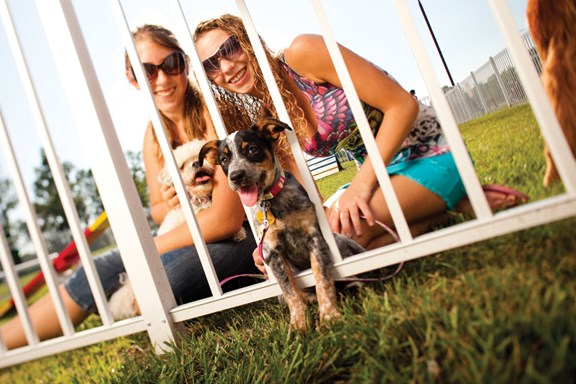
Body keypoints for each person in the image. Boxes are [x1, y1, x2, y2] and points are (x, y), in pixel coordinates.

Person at [0, 24, 258, 350]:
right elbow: (158, 209)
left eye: (172, 64)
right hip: (190, 233)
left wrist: (144, 251)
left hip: (246, 235)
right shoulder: (153, 134)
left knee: (161, 280)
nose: (162, 80)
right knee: (100, 269)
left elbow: (225, 220)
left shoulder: (210, 111)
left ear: (186, 64)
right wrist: (172, 199)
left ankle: (142, 298)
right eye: (147, 71)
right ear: (132, 78)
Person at [192, 14, 528, 255]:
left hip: (428, 153)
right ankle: (444, 210)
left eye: (230, 48)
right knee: (331, 245)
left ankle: (443, 196)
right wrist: (271, 237)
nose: (225, 67)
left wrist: (359, 188)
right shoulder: (270, 118)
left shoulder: (302, 53)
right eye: (211, 64)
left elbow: (402, 105)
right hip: (379, 179)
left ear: (249, 42)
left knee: (345, 235)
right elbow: (302, 192)